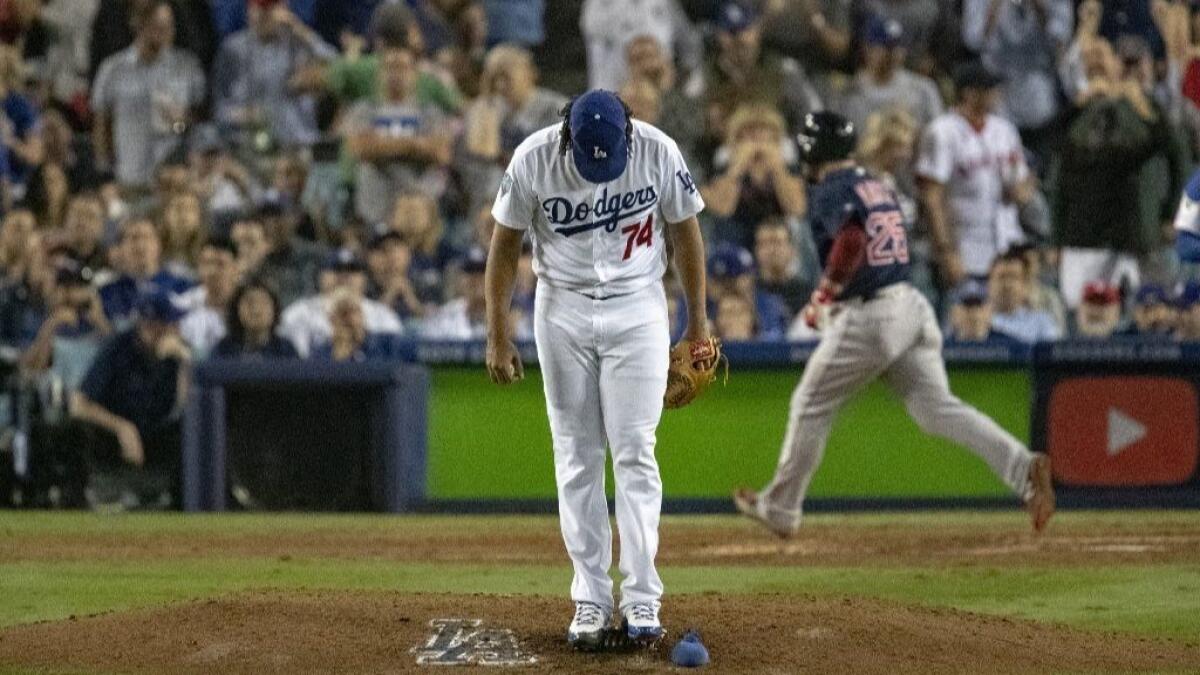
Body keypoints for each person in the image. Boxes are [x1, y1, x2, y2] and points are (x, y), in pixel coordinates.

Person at [732, 111, 1054, 540]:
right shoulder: (873, 182)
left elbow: (850, 241)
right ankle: (1023, 469)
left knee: (810, 404)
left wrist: (824, 293)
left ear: (813, 150)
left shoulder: (834, 187)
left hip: (871, 315)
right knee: (936, 410)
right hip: (909, 304)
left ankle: (781, 508)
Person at [485, 90, 710, 648]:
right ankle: (589, 598)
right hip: (561, 308)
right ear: (568, 137)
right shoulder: (533, 158)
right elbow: (503, 247)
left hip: (638, 306)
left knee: (635, 450)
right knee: (577, 456)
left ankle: (642, 599)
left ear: (627, 134)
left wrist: (697, 324)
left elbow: (686, 234)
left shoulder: (658, 151)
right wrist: (498, 332)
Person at [916, 63, 1041, 288]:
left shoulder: (1005, 130)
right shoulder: (942, 132)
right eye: (989, 88)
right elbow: (932, 197)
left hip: (1007, 245)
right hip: (966, 249)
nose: (996, 93)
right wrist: (947, 252)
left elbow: (1023, 184)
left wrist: (1022, 189)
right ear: (968, 93)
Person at [70, 289, 193, 506]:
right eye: (170, 323)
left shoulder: (177, 355)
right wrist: (122, 427)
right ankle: (104, 491)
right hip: (113, 441)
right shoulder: (118, 348)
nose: (176, 329)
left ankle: (171, 496)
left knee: (186, 430)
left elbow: (185, 408)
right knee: (75, 430)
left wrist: (184, 364)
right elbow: (78, 404)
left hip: (156, 439)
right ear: (150, 325)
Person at [90, 1, 206, 193]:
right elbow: (102, 125)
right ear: (138, 25)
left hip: (173, 180)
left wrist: (181, 122)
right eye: (159, 27)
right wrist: (105, 174)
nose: (167, 33)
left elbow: (195, 123)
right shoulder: (113, 69)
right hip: (129, 178)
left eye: (170, 26)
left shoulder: (187, 67)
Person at [342, 43, 453, 227]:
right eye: (389, 68)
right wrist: (415, 146)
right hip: (375, 210)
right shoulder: (364, 110)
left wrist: (383, 146)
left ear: (414, 74)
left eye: (402, 68)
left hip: (421, 211)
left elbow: (441, 154)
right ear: (379, 74)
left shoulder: (430, 113)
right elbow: (362, 150)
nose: (396, 75)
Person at [211, 0, 337, 152]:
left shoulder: (297, 44)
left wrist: (301, 30)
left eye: (268, 10)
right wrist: (243, 115)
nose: (261, 16)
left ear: (283, 10)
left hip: (299, 142)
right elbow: (219, 110)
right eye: (257, 9)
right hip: (251, 148)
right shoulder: (233, 50)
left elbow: (337, 69)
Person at [278, 248, 403, 357]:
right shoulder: (297, 313)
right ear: (320, 276)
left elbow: (393, 358)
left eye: (352, 270)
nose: (344, 276)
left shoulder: (383, 315)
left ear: (364, 279)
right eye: (336, 269)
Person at [835, 16, 943, 133]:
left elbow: (938, 136)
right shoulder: (848, 93)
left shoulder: (923, 90)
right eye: (886, 47)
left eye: (897, 47)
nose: (892, 54)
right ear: (867, 48)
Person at [98, 218, 193, 327]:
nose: (140, 245)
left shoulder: (182, 286)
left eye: (147, 237)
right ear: (121, 249)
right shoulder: (106, 293)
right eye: (133, 238)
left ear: (158, 245)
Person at [179, 239, 240, 358]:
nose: (212, 271)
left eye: (220, 264)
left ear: (236, 269)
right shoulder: (183, 305)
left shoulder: (247, 306)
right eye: (206, 264)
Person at [987, 248, 1062, 343]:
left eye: (1013, 277)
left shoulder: (1042, 323)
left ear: (1025, 285)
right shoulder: (976, 320)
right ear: (989, 282)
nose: (1007, 284)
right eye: (1001, 277)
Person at [211, 278, 297, 359]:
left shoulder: (286, 351)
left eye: (263, 303)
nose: (256, 310)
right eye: (249, 303)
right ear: (236, 309)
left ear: (274, 309)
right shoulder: (223, 350)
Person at [421, 247, 489, 340]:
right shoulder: (445, 315)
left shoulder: (507, 318)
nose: (475, 279)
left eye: (481, 272)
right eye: (470, 272)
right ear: (459, 280)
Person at [754, 220, 812, 316]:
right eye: (765, 243)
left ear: (792, 250)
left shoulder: (806, 294)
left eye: (777, 242)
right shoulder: (750, 292)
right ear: (756, 251)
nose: (772, 250)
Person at [943, 279, 1019, 343]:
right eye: (967, 305)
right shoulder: (941, 349)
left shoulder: (1007, 345)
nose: (973, 312)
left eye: (979, 305)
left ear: (989, 312)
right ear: (954, 313)